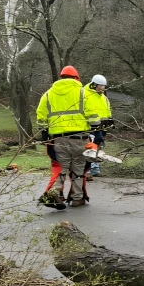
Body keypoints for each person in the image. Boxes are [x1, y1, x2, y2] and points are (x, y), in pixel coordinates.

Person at [36, 65, 95, 209]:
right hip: (80, 139)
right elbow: (93, 116)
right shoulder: (84, 93)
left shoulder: (48, 94)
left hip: (59, 139)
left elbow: (41, 116)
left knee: (61, 168)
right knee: (79, 169)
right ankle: (77, 199)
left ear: (61, 77)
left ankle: (54, 192)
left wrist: (44, 133)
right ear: (77, 78)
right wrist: (97, 131)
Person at [83, 74, 112, 180]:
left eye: (104, 86)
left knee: (98, 148)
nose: (103, 88)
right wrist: (95, 129)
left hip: (102, 127)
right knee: (90, 149)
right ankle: (87, 171)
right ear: (94, 85)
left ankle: (95, 168)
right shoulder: (86, 95)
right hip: (90, 128)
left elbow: (106, 111)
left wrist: (109, 120)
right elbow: (89, 112)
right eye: (100, 86)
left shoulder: (103, 98)